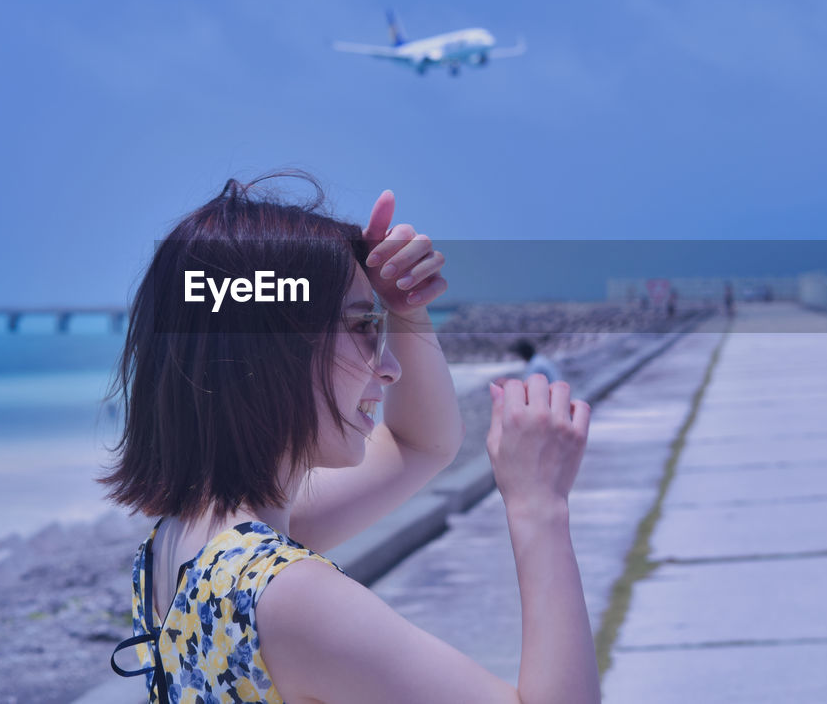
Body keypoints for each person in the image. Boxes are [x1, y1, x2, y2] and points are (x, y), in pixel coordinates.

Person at [100, 170, 599, 704]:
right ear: (274, 352)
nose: (389, 369)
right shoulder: (290, 596)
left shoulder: (180, 545)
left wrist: (405, 306)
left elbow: (418, 444)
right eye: (364, 327)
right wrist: (538, 506)